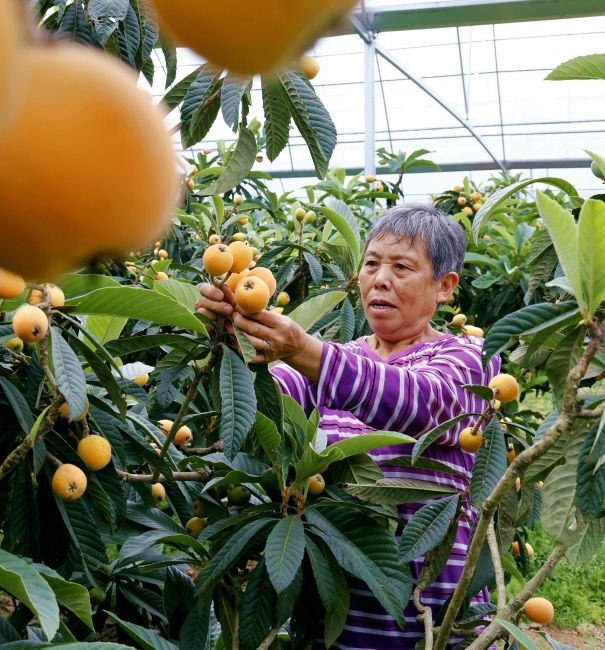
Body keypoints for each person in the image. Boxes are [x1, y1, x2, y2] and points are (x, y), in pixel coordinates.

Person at [197, 204, 500, 649]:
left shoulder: (470, 357)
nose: (380, 278)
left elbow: (422, 403)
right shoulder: (332, 361)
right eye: (372, 264)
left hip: (437, 621)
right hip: (337, 617)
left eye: (402, 267)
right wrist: (233, 341)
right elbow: (261, 412)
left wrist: (304, 350)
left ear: (444, 287)